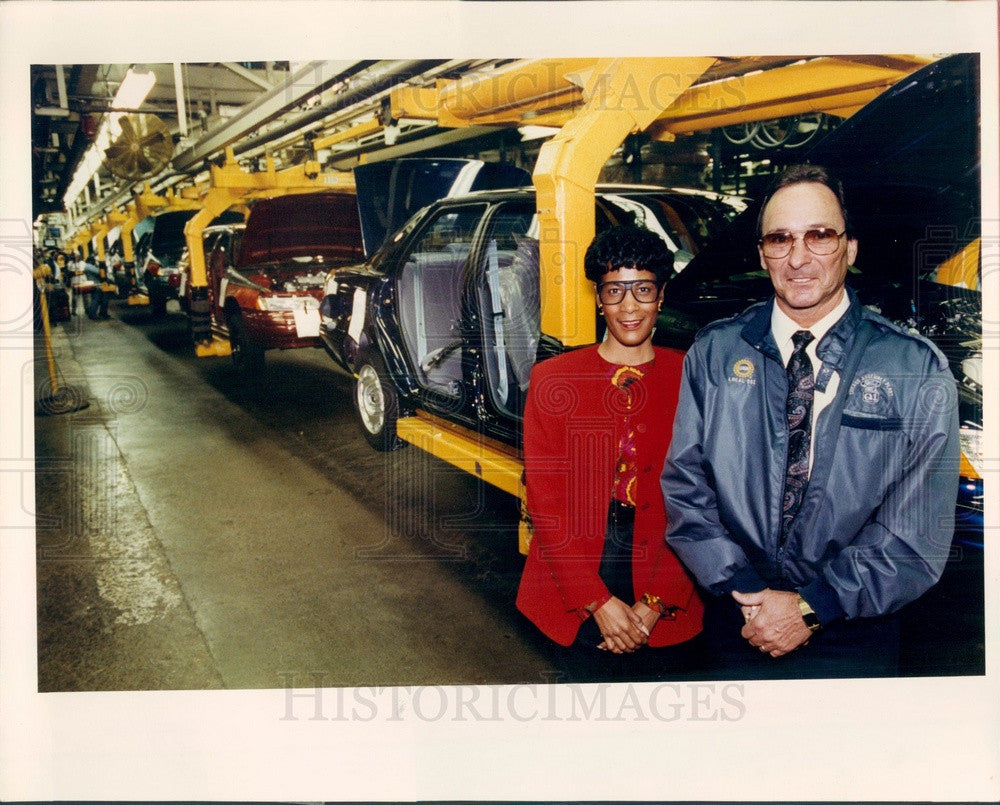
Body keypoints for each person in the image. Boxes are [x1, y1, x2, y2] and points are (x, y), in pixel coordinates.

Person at [661, 164, 959, 678]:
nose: (798, 258)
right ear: (762, 254)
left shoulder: (914, 367)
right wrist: (748, 591)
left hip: (855, 634)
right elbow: (686, 488)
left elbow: (916, 532)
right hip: (740, 621)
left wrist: (812, 604)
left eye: (819, 236)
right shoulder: (714, 353)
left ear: (850, 248)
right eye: (780, 239)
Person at [516, 224, 704, 682]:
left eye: (642, 289)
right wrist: (596, 601)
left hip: (667, 562)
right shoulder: (554, 378)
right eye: (614, 290)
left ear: (661, 296)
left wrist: (657, 601)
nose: (628, 306)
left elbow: (707, 497)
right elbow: (545, 500)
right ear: (598, 298)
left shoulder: (692, 376)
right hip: (574, 572)